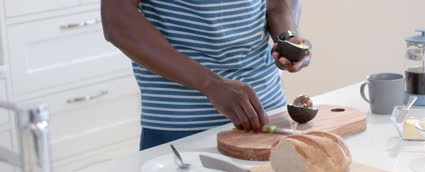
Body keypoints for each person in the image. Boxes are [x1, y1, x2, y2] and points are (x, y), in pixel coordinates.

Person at [101, 0, 312, 150]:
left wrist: (287, 38)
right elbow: (116, 20)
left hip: (268, 114)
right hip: (182, 126)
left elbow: (277, 3)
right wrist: (211, 84)